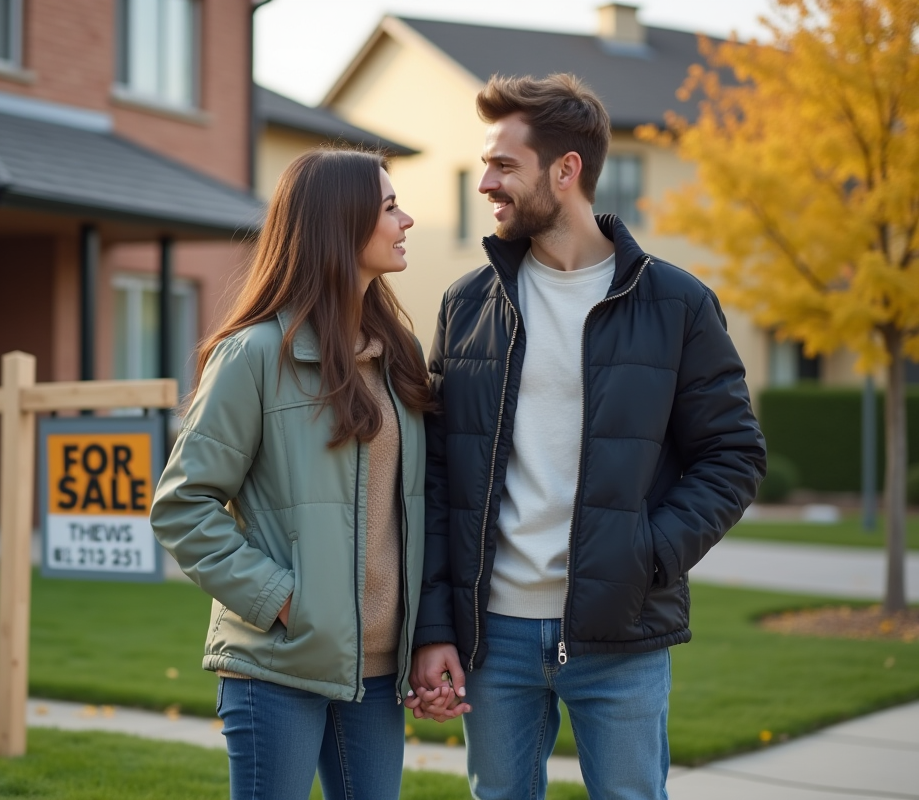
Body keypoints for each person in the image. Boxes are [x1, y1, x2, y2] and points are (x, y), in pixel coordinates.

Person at [403, 74, 767, 800]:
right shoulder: (467, 304)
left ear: (565, 171)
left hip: (620, 634)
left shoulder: (676, 303)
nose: (485, 185)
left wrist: (648, 556)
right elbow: (438, 480)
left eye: (503, 166)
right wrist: (435, 628)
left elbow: (733, 455)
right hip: (494, 635)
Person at [150, 148, 431, 800]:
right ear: (342, 222)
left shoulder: (399, 359)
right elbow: (182, 505)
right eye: (390, 207)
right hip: (277, 667)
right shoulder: (251, 356)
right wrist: (281, 599)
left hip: (377, 673)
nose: (407, 220)